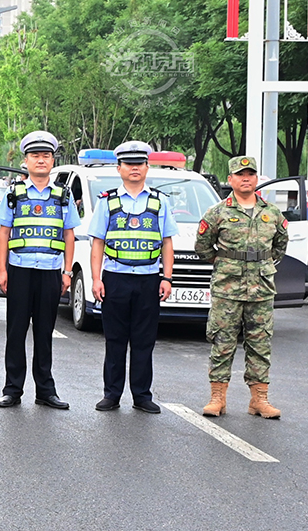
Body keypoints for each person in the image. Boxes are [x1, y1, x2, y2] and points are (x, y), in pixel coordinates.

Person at [194, 155, 290, 419]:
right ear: (230, 179)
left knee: (260, 343)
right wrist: (226, 263)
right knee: (222, 342)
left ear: (256, 179)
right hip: (227, 288)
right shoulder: (217, 213)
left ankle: (259, 400)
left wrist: (263, 266)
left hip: (261, 289)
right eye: (240, 174)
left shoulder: (272, 213)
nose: (245, 178)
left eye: (250, 174)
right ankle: (217, 398)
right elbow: (202, 247)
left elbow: (280, 246)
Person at [87, 140, 177, 414]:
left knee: (143, 340)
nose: (134, 168)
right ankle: (112, 394)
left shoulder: (160, 201)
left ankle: (142, 395)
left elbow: (167, 242)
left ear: (147, 167)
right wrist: (96, 279)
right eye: (129, 164)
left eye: (139, 164)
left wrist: (167, 278)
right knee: (114, 340)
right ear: (119, 168)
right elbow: (98, 243)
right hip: (115, 277)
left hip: (148, 278)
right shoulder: (108, 201)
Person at [0, 131, 80, 410]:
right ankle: (12, 390)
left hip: (50, 272)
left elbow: (69, 235)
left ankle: (45, 390)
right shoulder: (14, 193)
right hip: (20, 270)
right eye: (35, 156)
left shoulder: (63, 195)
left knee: (44, 333)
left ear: (53, 160)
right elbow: (4, 232)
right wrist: (2, 271)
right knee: (16, 332)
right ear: (26, 161)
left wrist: (67, 272)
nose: (40, 160)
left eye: (45, 156)